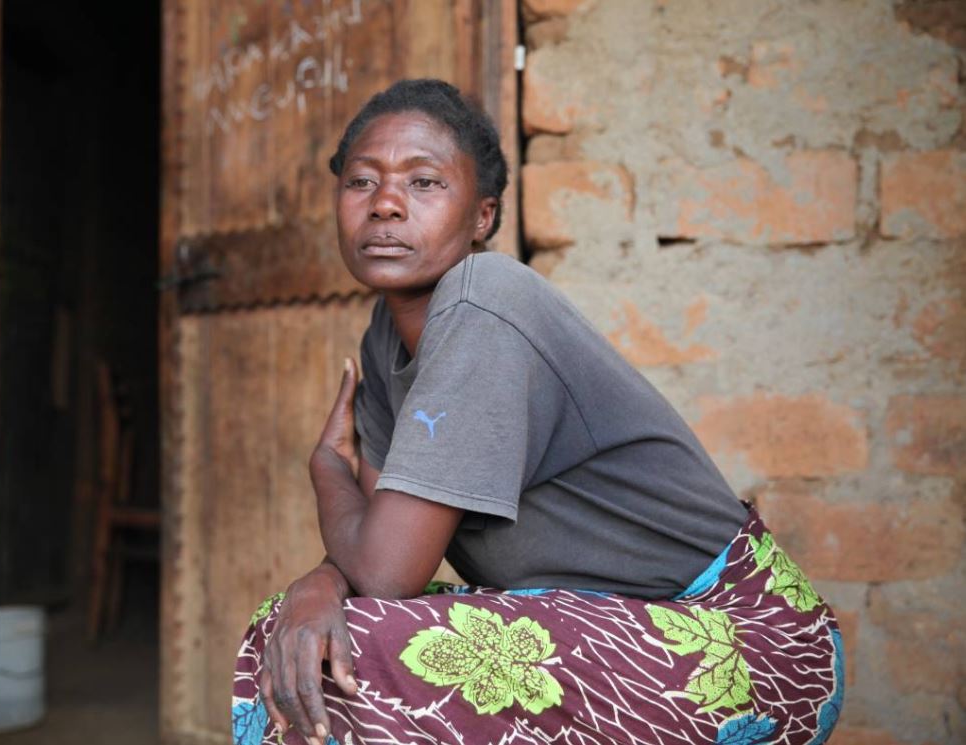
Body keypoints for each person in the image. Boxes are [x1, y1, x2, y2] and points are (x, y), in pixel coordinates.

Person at [232, 79, 842, 745]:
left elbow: (385, 571)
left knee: (359, 650)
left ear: (482, 217)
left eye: (424, 182)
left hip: (744, 638)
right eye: (360, 182)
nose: (384, 204)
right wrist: (317, 584)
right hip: (614, 622)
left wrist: (327, 466)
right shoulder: (386, 336)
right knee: (301, 628)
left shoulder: (482, 301)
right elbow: (375, 542)